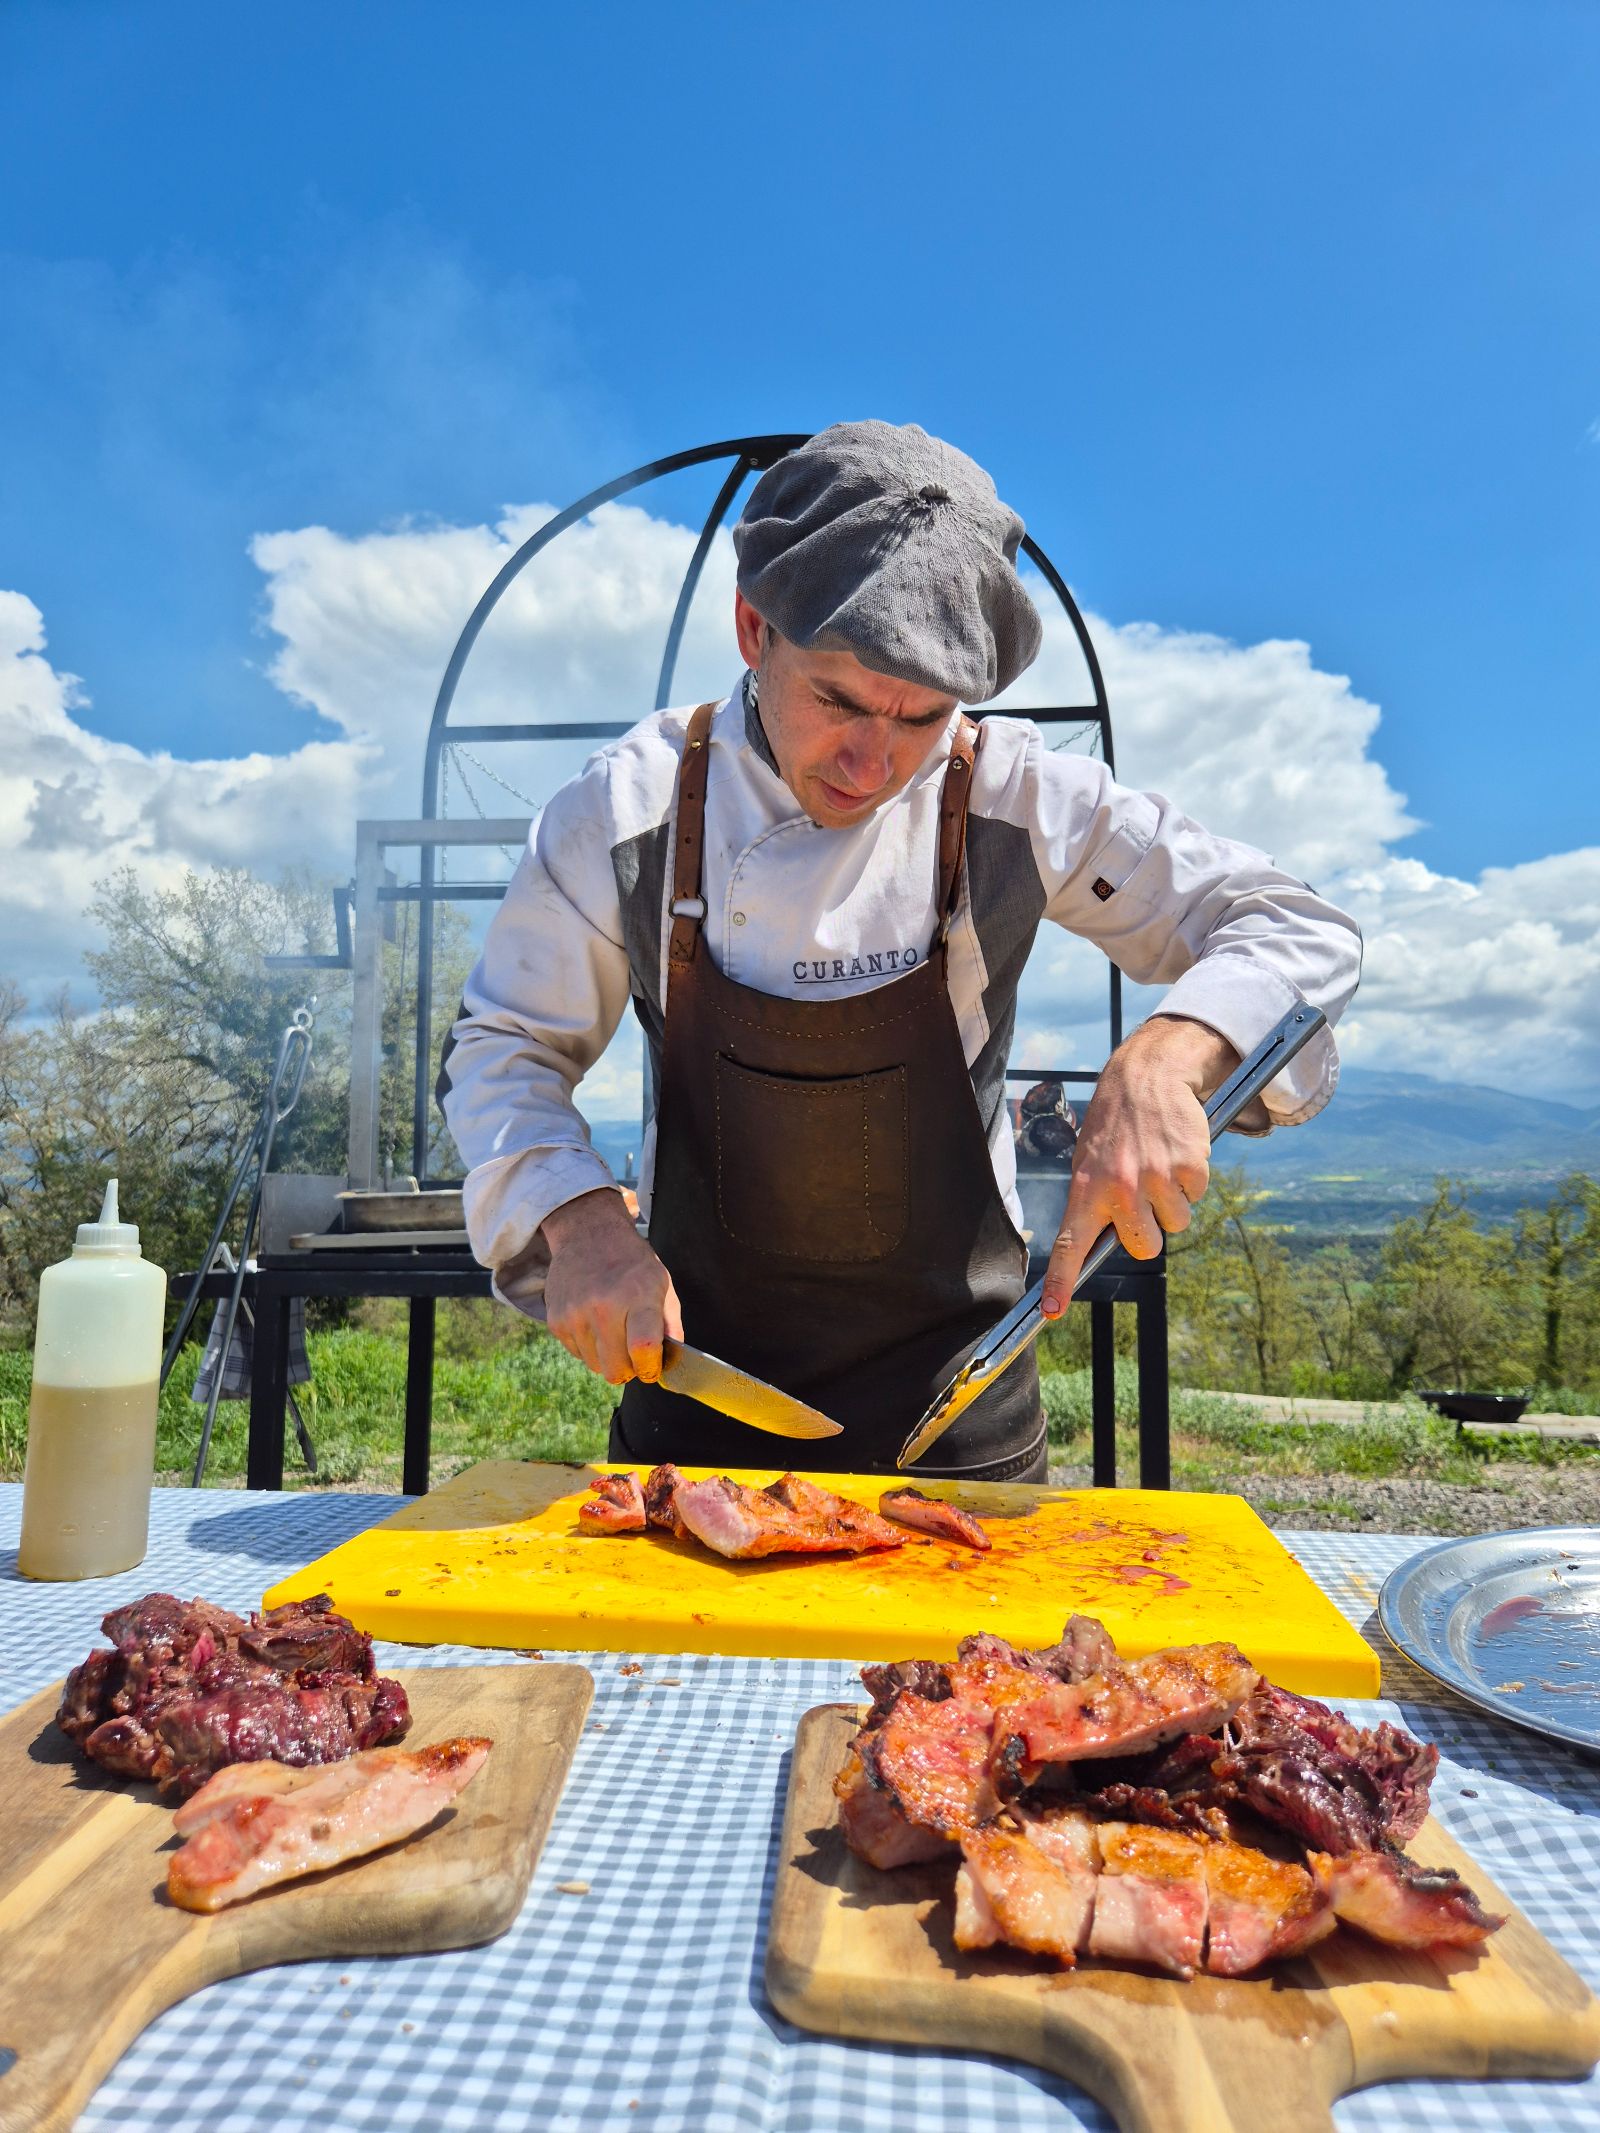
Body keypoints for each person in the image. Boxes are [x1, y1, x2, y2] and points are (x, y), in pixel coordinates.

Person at [440, 421, 1360, 1481]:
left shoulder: (1012, 794)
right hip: (693, 1428)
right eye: (837, 699)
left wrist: (1174, 1049)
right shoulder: (629, 806)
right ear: (753, 628)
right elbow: (504, 1046)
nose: (873, 760)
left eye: (921, 717)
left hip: (960, 1427)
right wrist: (580, 1218)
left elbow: (1296, 931)